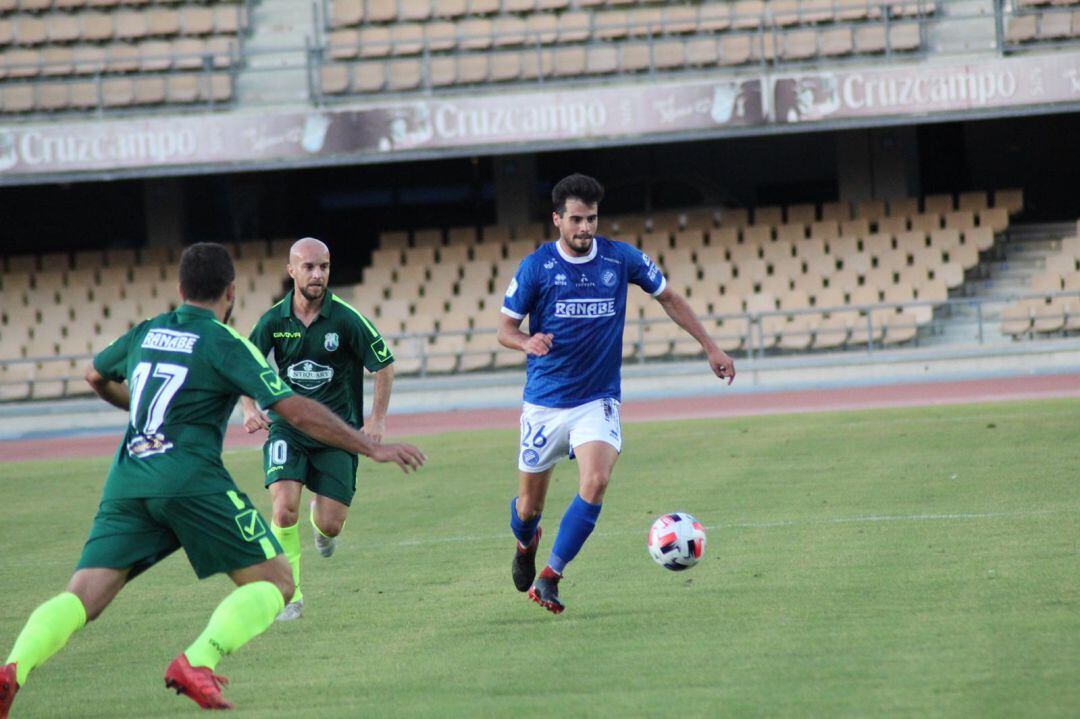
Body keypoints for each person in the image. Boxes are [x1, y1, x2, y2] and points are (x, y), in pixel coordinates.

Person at [0, 243, 425, 717]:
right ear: (231, 293)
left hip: (128, 480)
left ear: (180, 289)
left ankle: (14, 666)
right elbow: (296, 410)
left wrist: (141, 415)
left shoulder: (147, 331)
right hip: (191, 482)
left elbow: (94, 374)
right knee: (276, 583)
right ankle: (197, 660)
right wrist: (372, 446)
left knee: (82, 596)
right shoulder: (226, 343)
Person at [498, 174, 735, 615]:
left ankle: (550, 577)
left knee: (597, 480)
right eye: (575, 219)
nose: (585, 228)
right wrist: (525, 342)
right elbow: (504, 329)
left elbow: (669, 298)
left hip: (597, 399)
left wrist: (711, 346)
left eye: (590, 219)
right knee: (528, 508)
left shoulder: (620, 259)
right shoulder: (537, 267)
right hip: (545, 402)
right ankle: (526, 543)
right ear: (557, 220)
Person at [240, 237, 396, 621]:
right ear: (291, 270)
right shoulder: (274, 320)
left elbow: (384, 365)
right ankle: (287, 593)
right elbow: (244, 363)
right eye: (308, 266)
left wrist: (376, 420)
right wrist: (248, 407)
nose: (317, 274)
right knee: (283, 509)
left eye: (323, 266)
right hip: (287, 430)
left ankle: (320, 523)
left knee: (332, 524)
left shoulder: (345, 318)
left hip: (337, 434)